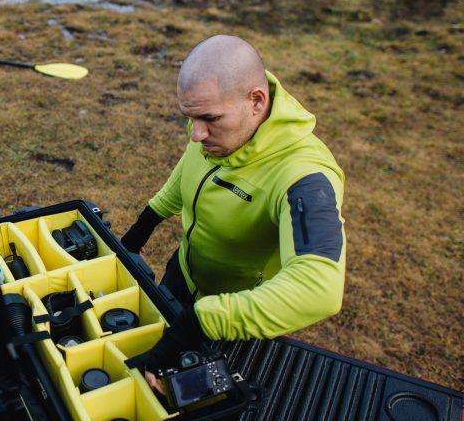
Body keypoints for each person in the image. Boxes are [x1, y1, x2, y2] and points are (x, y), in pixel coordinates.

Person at [121, 35, 346, 392]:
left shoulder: (305, 176)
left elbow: (319, 288)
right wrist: (146, 223)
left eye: (209, 119)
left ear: (256, 100)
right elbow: (189, 168)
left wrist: (203, 321)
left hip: (235, 319)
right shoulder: (215, 124)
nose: (196, 134)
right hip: (184, 275)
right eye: (189, 118)